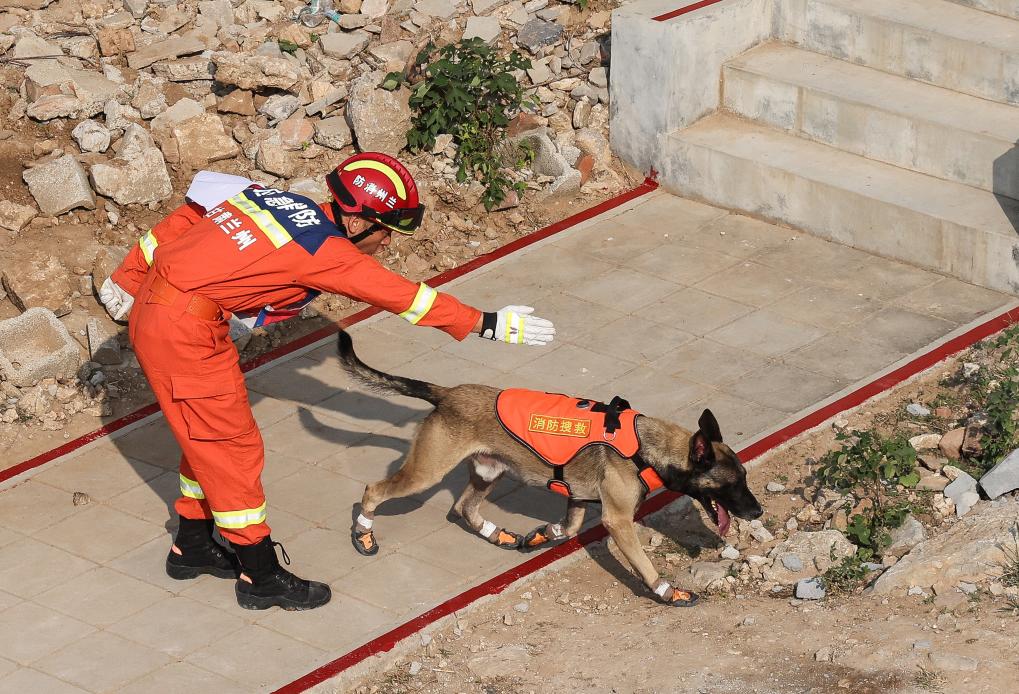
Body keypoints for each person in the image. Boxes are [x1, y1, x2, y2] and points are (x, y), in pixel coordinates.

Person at [99, 153, 555, 611]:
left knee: (207, 440)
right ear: (357, 224)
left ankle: (193, 545)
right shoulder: (326, 251)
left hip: (173, 318)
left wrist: (134, 280)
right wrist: (487, 322)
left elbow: (190, 212)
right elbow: (404, 298)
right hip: (184, 334)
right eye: (385, 230)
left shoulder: (272, 199)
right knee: (231, 448)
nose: (387, 242)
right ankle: (259, 576)